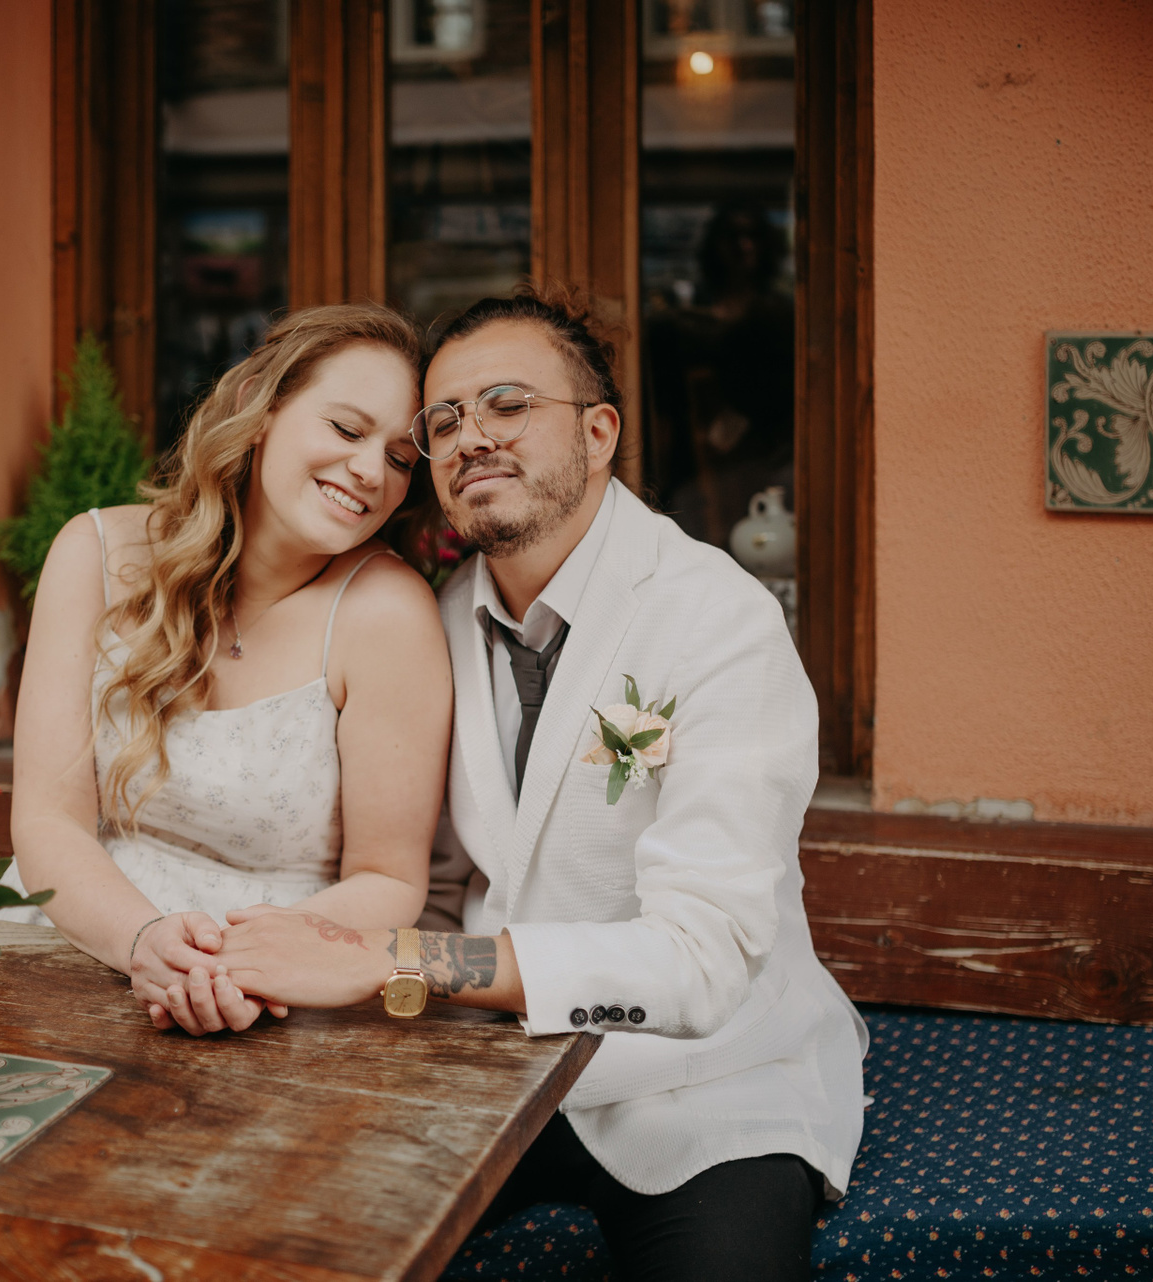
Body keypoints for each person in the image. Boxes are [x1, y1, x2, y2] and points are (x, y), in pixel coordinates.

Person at [208, 288, 866, 1280]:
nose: (472, 436)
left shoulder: (720, 620)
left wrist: (393, 960)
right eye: (444, 422)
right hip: (491, 1063)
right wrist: (331, 990)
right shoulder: (435, 617)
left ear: (599, 434)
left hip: (706, 1080)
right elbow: (436, 887)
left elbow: (701, 959)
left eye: (509, 405)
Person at [2, 304, 452, 1038]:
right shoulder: (95, 554)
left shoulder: (387, 615)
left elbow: (389, 879)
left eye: (402, 459)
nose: (372, 471)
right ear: (259, 407)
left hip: (270, 992)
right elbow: (49, 820)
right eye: (347, 429)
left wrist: (232, 968)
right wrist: (142, 942)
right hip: (71, 944)